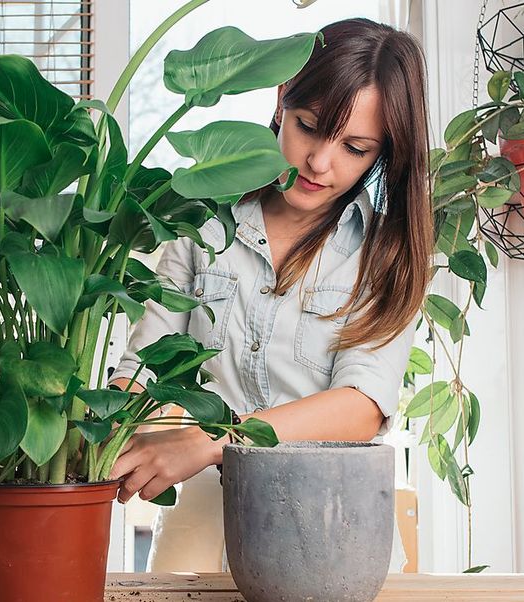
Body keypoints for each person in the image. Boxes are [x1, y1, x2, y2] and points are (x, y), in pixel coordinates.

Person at [108, 17, 433, 572]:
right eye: (309, 126)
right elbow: (146, 367)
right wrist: (109, 425)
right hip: (204, 519)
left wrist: (215, 440)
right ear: (283, 98)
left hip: (336, 522)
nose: (321, 163)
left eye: (355, 148)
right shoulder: (204, 221)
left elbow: (360, 407)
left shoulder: (385, 251)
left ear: (383, 152)